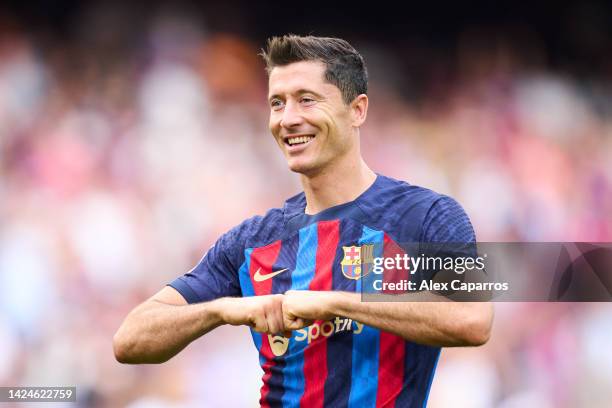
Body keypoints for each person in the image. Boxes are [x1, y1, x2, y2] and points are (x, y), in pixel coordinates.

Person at [113, 34, 493, 407]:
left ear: (357, 109)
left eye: (306, 100)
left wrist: (335, 303)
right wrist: (220, 310)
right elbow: (129, 340)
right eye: (277, 104)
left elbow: (472, 319)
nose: (288, 119)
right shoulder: (252, 241)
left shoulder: (424, 217)